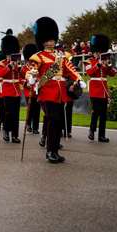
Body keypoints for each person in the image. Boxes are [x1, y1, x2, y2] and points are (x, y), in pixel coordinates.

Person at [30, 17, 82, 164]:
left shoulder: (62, 56)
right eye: (48, 39)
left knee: (58, 122)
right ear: (42, 40)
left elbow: (70, 70)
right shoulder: (38, 56)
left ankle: (55, 151)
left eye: (52, 39)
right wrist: (32, 77)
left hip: (60, 93)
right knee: (53, 120)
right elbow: (31, 72)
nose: (51, 42)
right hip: (47, 91)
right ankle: (50, 152)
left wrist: (79, 79)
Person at [85, 34, 117, 143]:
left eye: (100, 52)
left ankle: (101, 135)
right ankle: (91, 130)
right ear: (93, 52)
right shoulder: (89, 61)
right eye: (97, 52)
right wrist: (98, 65)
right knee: (96, 112)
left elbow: (113, 74)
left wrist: (108, 66)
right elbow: (89, 72)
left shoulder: (105, 61)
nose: (99, 54)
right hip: (95, 90)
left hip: (103, 91)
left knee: (103, 114)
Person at [0, 35, 22, 143]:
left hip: (16, 91)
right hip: (7, 90)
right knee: (8, 113)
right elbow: (0, 74)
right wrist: (10, 66)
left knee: (16, 114)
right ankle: (6, 131)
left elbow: (22, 75)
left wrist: (19, 67)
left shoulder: (18, 63)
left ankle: (15, 135)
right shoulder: (1, 64)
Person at [21, 44, 40, 134]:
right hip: (28, 91)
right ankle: (28, 124)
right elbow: (21, 79)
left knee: (37, 109)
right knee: (30, 109)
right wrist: (26, 83)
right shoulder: (24, 68)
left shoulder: (37, 67)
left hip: (36, 90)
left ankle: (35, 127)